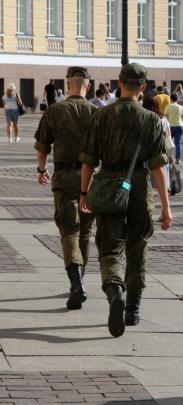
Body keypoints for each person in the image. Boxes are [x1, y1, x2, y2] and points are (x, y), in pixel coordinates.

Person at [79, 62, 172, 337]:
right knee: (138, 247)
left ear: (120, 82)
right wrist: (167, 207)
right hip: (140, 186)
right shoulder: (152, 120)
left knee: (109, 248)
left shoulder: (100, 116)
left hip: (108, 185)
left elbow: (87, 161)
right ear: (143, 87)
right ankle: (132, 309)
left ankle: (114, 289)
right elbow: (159, 168)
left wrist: (84, 193)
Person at [34, 67, 97, 310]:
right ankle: (80, 281)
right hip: (90, 179)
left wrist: (41, 170)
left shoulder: (55, 111)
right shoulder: (96, 113)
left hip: (63, 178)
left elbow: (42, 147)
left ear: (67, 84)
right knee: (84, 232)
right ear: (87, 86)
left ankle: (76, 283)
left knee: (69, 231)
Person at [164, 94, 183, 162]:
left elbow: (166, 117)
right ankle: (178, 159)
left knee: (168, 143)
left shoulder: (168, 106)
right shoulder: (180, 107)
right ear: (177, 99)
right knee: (178, 143)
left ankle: (169, 157)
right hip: (179, 126)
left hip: (170, 127)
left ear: (170, 99)